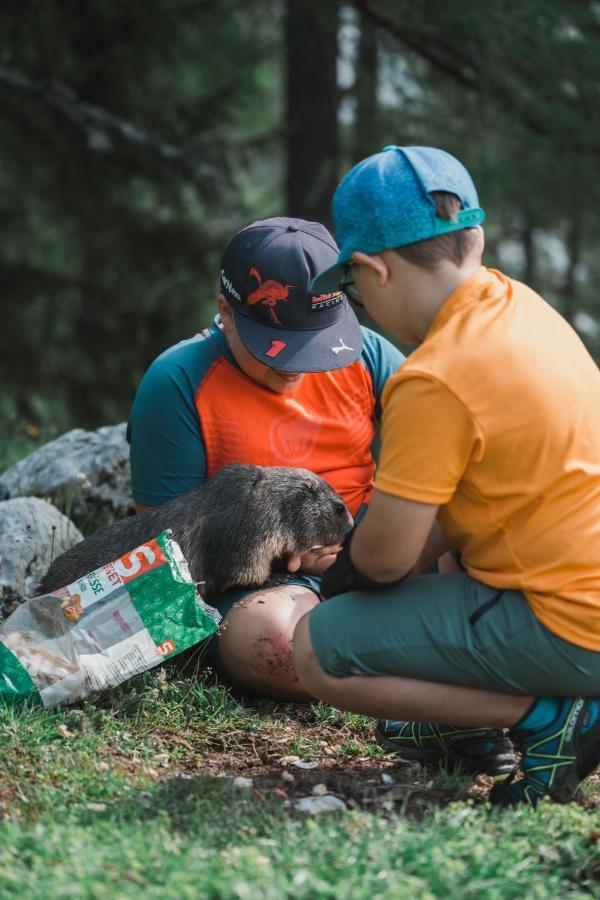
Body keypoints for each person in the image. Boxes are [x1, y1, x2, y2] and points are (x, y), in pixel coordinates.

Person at [127, 215, 514, 777]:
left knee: (480, 527)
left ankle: (423, 680)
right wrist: (269, 557)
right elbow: (169, 553)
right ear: (227, 311)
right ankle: (439, 679)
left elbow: (448, 456)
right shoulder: (178, 381)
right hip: (271, 587)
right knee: (268, 641)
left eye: (316, 346)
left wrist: (382, 544)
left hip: (383, 550)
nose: (296, 367)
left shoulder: (369, 355)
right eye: (277, 348)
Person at [292, 145, 600, 807]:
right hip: (583, 590)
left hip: (577, 626)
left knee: (319, 647)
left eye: (351, 287)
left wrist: (336, 574)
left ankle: (549, 718)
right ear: (474, 236)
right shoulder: (524, 308)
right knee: (457, 559)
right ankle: (458, 717)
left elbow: (385, 561)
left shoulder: (436, 377)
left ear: (373, 270)